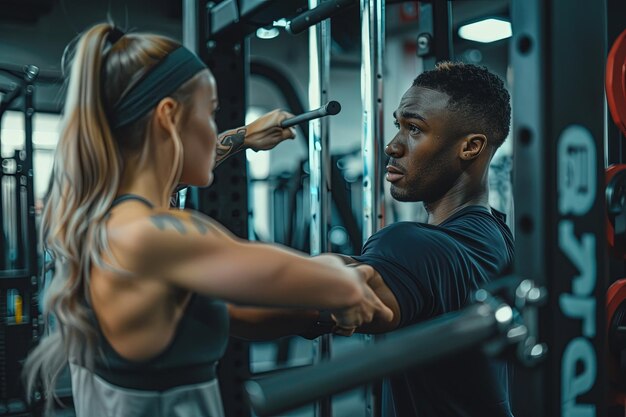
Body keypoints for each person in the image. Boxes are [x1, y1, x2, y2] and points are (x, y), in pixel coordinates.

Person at [23, 23, 392, 417]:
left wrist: (244, 137)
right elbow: (337, 287)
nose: (215, 127)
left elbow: (235, 313)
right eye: (210, 113)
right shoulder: (156, 236)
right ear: (168, 117)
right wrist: (353, 279)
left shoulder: (98, 220)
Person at [334, 62, 515, 416]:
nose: (392, 146)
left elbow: (298, 304)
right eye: (398, 126)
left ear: (470, 147)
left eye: (414, 129)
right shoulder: (501, 236)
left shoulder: (409, 245)